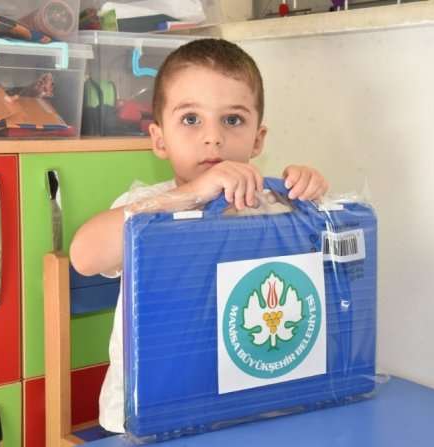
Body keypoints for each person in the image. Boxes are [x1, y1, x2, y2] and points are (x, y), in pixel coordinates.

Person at [70, 38, 329, 434]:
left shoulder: (273, 207)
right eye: (191, 119)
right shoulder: (148, 207)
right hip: (149, 420)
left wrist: (308, 194)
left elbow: (322, 272)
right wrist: (192, 193)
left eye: (232, 120)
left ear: (258, 140)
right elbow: (85, 255)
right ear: (160, 139)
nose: (213, 137)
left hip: (253, 407)